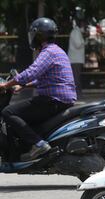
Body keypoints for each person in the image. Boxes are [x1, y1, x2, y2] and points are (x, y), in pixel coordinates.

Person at [0, 17, 76, 162]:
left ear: (38, 35)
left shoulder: (48, 52)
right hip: (57, 99)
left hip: (53, 100)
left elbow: (31, 72)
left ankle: (39, 144)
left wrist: (6, 85)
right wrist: (24, 85)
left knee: (8, 112)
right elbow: (45, 78)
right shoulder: (56, 50)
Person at [68, 8, 86, 96]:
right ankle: (76, 94)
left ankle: (77, 93)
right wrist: (84, 42)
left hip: (77, 59)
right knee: (76, 78)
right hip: (75, 59)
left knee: (77, 77)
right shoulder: (76, 32)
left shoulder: (77, 32)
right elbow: (78, 44)